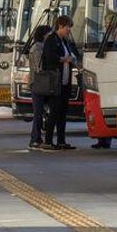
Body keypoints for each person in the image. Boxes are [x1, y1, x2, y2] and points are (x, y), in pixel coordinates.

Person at [41, 15, 80, 151]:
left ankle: (61, 140)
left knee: (63, 112)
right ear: (61, 26)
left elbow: (71, 55)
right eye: (68, 27)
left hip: (64, 82)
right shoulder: (51, 40)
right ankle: (48, 140)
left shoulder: (64, 41)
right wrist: (64, 59)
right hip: (54, 82)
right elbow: (50, 57)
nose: (69, 30)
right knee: (54, 111)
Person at [26, 25, 52, 150]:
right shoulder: (37, 48)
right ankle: (35, 139)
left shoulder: (40, 46)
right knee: (38, 112)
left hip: (40, 82)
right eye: (49, 34)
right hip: (38, 83)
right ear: (43, 35)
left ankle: (37, 138)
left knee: (41, 111)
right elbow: (39, 66)